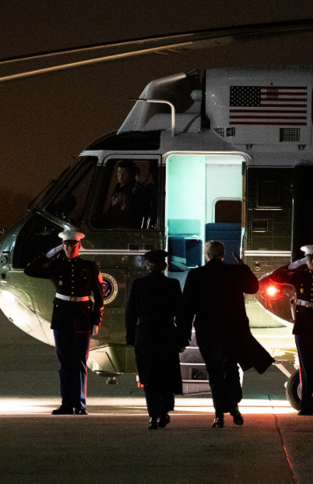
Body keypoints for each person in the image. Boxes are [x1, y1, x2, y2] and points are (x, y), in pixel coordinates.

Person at [183, 240, 274, 428]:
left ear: (206, 255)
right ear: (223, 254)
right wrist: (244, 267)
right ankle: (233, 408)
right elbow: (253, 287)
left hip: (207, 332)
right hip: (232, 331)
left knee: (215, 372)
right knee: (231, 368)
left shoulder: (196, 275)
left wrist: (183, 336)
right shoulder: (235, 272)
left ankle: (219, 415)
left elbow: (187, 309)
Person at [24, 230, 104, 415]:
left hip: (83, 317)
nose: (69, 248)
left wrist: (96, 320)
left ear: (78, 246)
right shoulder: (56, 265)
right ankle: (67, 403)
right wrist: (49, 253)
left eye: (72, 246)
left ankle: (80, 404)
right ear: (63, 247)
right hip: (62, 318)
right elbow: (30, 269)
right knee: (65, 362)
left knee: (80, 362)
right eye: (66, 246)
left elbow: (99, 297)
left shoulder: (90, 266)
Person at [125, 249, 190, 430]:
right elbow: (182, 314)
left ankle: (152, 416)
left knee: (148, 376)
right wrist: (183, 338)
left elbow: (130, 313)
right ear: (165, 266)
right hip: (167, 333)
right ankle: (164, 412)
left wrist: (131, 337)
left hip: (144, 334)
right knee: (166, 375)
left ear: (147, 266)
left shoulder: (138, 285)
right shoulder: (173, 285)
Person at [272, 244, 313, 416]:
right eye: (309, 259)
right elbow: (276, 278)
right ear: (306, 260)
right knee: (306, 367)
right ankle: (306, 405)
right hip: (303, 327)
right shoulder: (298, 275)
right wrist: (294, 265)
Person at [106, 160, 144, 228]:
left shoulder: (133, 192)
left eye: (125, 172)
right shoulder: (119, 188)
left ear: (132, 174)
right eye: (119, 172)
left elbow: (125, 216)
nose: (121, 175)